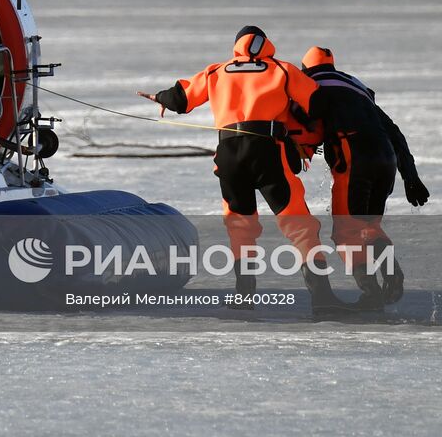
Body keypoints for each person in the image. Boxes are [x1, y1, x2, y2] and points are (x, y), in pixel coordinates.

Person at [144, 26, 342, 312]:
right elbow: (318, 102)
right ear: (266, 45)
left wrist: (160, 98)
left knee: (239, 223)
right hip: (267, 150)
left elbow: (181, 98)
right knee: (298, 223)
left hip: (229, 153)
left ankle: (244, 294)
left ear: (237, 46)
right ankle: (322, 296)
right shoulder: (281, 70)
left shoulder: (217, 71)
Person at [302, 45, 428, 308]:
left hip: (354, 159)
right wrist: (410, 176)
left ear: (306, 69)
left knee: (347, 231)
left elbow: (305, 121)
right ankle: (388, 277)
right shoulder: (356, 87)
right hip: (385, 159)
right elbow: (394, 131)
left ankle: (371, 293)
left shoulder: (310, 86)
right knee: (368, 226)